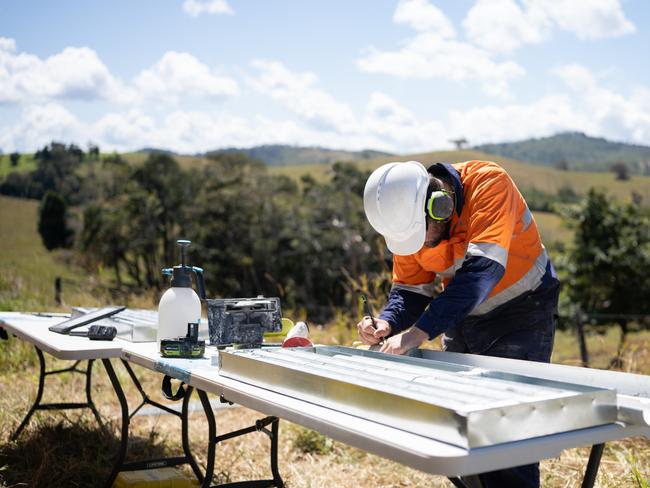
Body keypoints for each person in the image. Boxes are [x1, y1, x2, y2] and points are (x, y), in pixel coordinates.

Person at [357, 160, 559, 488]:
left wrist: (417, 333)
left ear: (441, 206)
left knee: (507, 428)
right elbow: (410, 290)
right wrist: (387, 323)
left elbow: (482, 274)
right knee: (462, 423)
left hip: (520, 310)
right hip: (459, 312)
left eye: (421, 237)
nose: (419, 246)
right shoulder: (408, 220)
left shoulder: (489, 184)